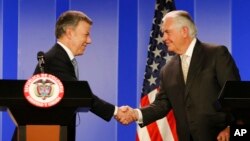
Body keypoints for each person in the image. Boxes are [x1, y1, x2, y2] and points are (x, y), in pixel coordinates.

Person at [116, 10, 241, 141]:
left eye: (167, 32)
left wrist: (231, 128)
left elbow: (235, 96)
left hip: (220, 137)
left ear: (184, 31)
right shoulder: (168, 69)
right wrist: (135, 114)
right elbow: (162, 104)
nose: (164, 38)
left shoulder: (216, 54)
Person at [33, 10, 127, 141]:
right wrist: (115, 111)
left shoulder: (61, 57)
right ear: (70, 33)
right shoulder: (55, 60)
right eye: (86, 34)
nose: (89, 40)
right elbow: (78, 93)